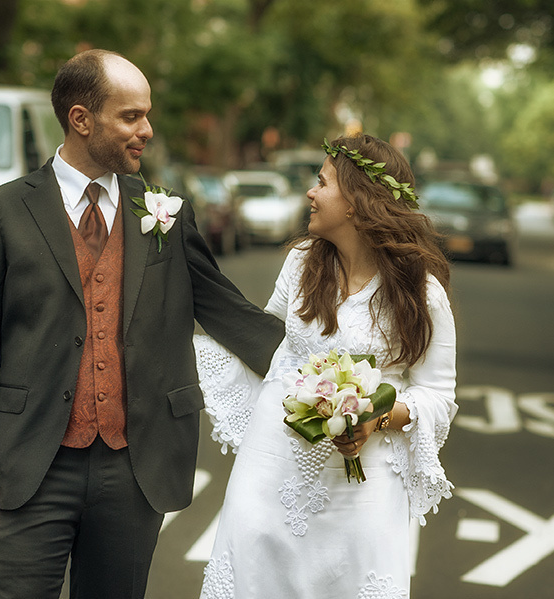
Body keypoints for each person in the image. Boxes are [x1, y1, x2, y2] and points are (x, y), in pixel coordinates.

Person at [0, 49, 284, 599]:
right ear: (81, 119)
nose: (146, 130)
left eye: (146, 115)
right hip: (29, 463)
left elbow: (231, 315)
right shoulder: (0, 212)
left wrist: (331, 376)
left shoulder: (166, 212)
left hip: (135, 467)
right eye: (131, 116)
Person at [194, 133, 458, 598]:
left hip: (362, 489)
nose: (310, 193)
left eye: (322, 182)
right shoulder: (300, 264)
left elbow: (438, 396)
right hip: (270, 466)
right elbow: (269, 343)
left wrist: (376, 417)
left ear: (356, 202)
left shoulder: (420, 293)